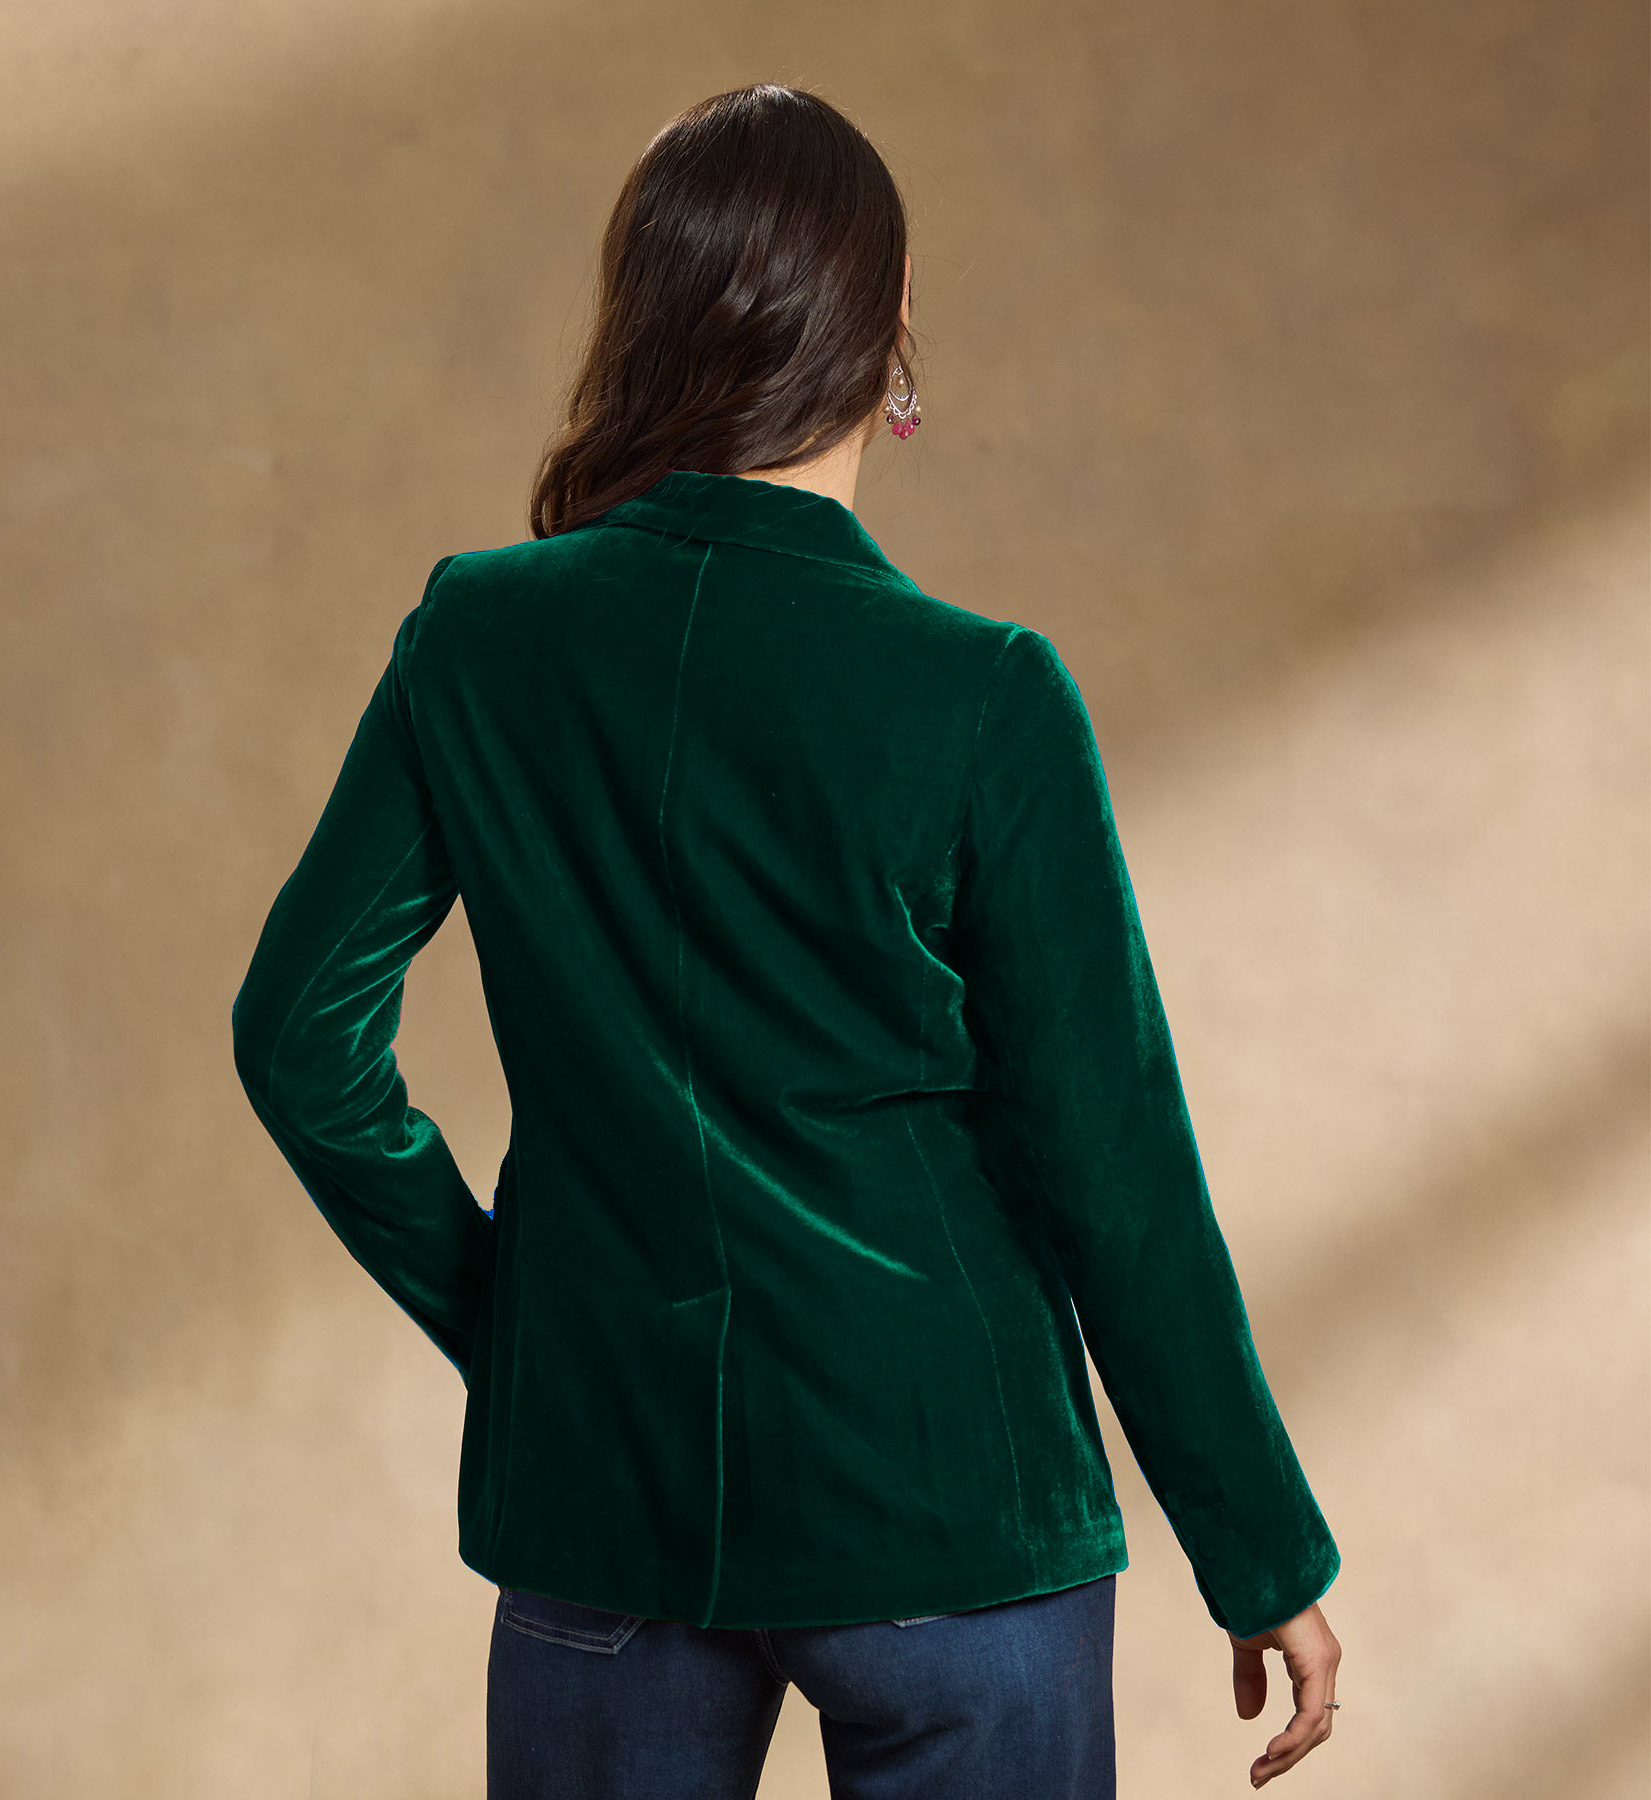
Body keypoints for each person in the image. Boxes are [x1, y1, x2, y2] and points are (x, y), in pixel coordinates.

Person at [229, 81, 1343, 1800]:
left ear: (647, 322)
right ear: (886, 332)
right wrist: (1258, 1547)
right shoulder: (984, 693)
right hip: (949, 1508)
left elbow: (300, 1038)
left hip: (604, 1493)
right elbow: (1112, 1164)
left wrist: (521, 1334)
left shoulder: (478, 639)